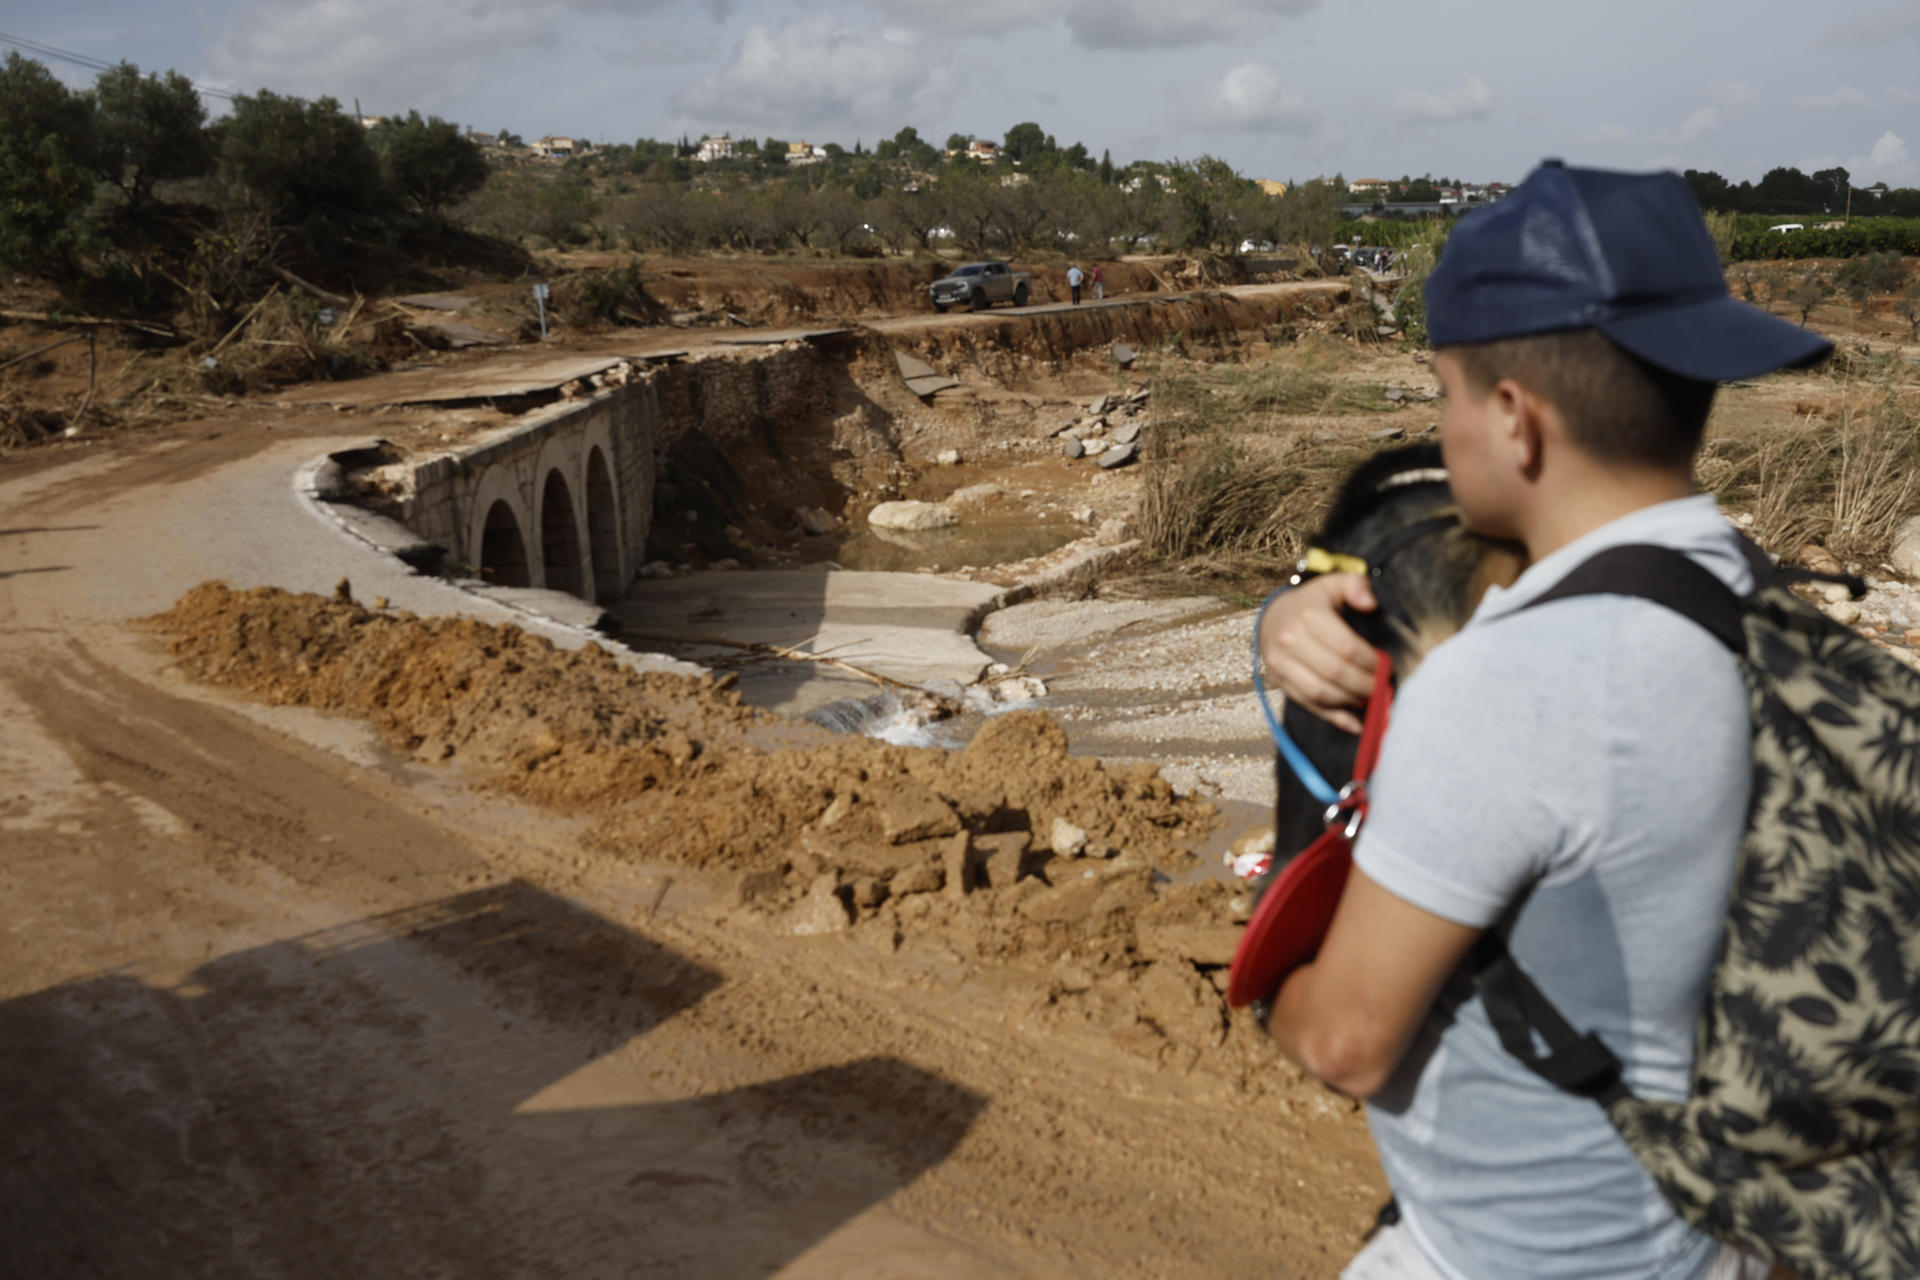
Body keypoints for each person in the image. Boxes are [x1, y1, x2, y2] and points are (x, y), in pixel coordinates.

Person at [1254, 162, 1831, 1280]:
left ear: (1513, 419)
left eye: (1445, 395)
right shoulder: (1758, 602)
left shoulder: (1519, 683)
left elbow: (1345, 1040)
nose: (1442, 429)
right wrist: (1287, 614)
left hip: (1534, 1253)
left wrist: (1279, 982)